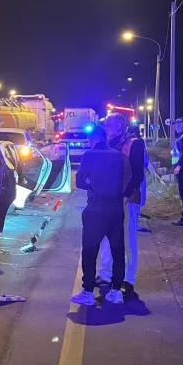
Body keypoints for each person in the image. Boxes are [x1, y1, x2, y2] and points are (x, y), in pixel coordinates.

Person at [71, 125, 125, 305]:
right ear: (105, 137)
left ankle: (87, 292)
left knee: (90, 251)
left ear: (91, 139)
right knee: (118, 251)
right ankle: (116, 291)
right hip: (116, 208)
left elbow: (79, 182)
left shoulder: (89, 155)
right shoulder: (118, 155)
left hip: (96, 209)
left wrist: (91, 183)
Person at [97, 113, 145, 294]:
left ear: (118, 126)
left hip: (127, 199)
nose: (106, 128)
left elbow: (138, 174)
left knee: (128, 239)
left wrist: (126, 195)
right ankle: (106, 274)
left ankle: (128, 278)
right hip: (108, 199)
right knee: (106, 238)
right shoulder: (107, 144)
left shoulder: (134, 144)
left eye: (108, 124)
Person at [127, 125, 150, 232]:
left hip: (130, 174)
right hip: (138, 174)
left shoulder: (126, 142)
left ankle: (132, 221)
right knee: (136, 198)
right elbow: (145, 160)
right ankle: (133, 223)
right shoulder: (139, 142)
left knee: (131, 199)